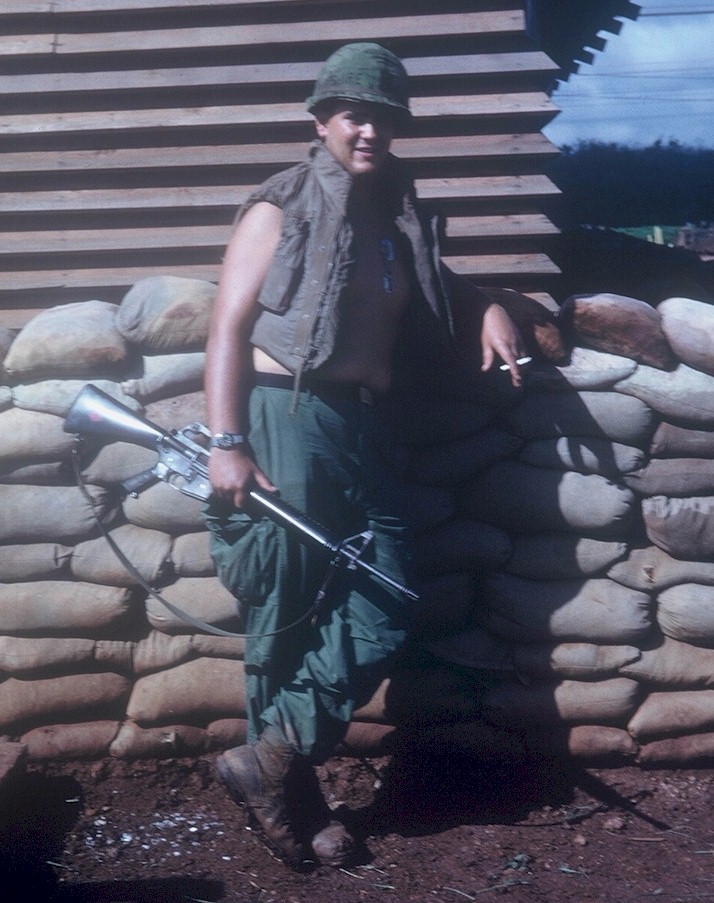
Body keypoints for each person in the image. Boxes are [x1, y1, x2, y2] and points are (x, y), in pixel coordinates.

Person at [203, 42, 526, 871]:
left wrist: (486, 303)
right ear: (322, 121)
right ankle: (298, 802)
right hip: (288, 413)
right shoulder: (280, 204)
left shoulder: (398, 213)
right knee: (288, 607)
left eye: (385, 117)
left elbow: (423, 283)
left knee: (388, 594)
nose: (371, 130)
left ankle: (271, 758)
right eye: (355, 115)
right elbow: (226, 327)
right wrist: (227, 441)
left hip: (368, 424)